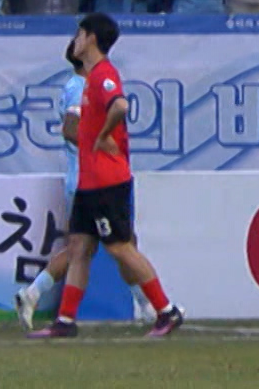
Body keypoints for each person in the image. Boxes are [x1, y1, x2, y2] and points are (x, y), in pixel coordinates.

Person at [26, 13, 185, 339]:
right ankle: (65, 321)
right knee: (80, 249)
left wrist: (103, 135)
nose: (75, 40)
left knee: (120, 247)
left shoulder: (104, 75)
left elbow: (121, 106)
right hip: (89, 181)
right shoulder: (90, 78)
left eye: (79, 34)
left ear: (92, 38)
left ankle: (166, 310)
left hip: (106, 180)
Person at [14, 48, 156, 326]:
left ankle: (33, 293)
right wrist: (102, 145)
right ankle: (151, 307)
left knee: (82, 248)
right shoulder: (79, 87)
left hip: (85, 179)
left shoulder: (82, 85)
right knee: (123, 244)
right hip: (92, 181)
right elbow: (70, 128)